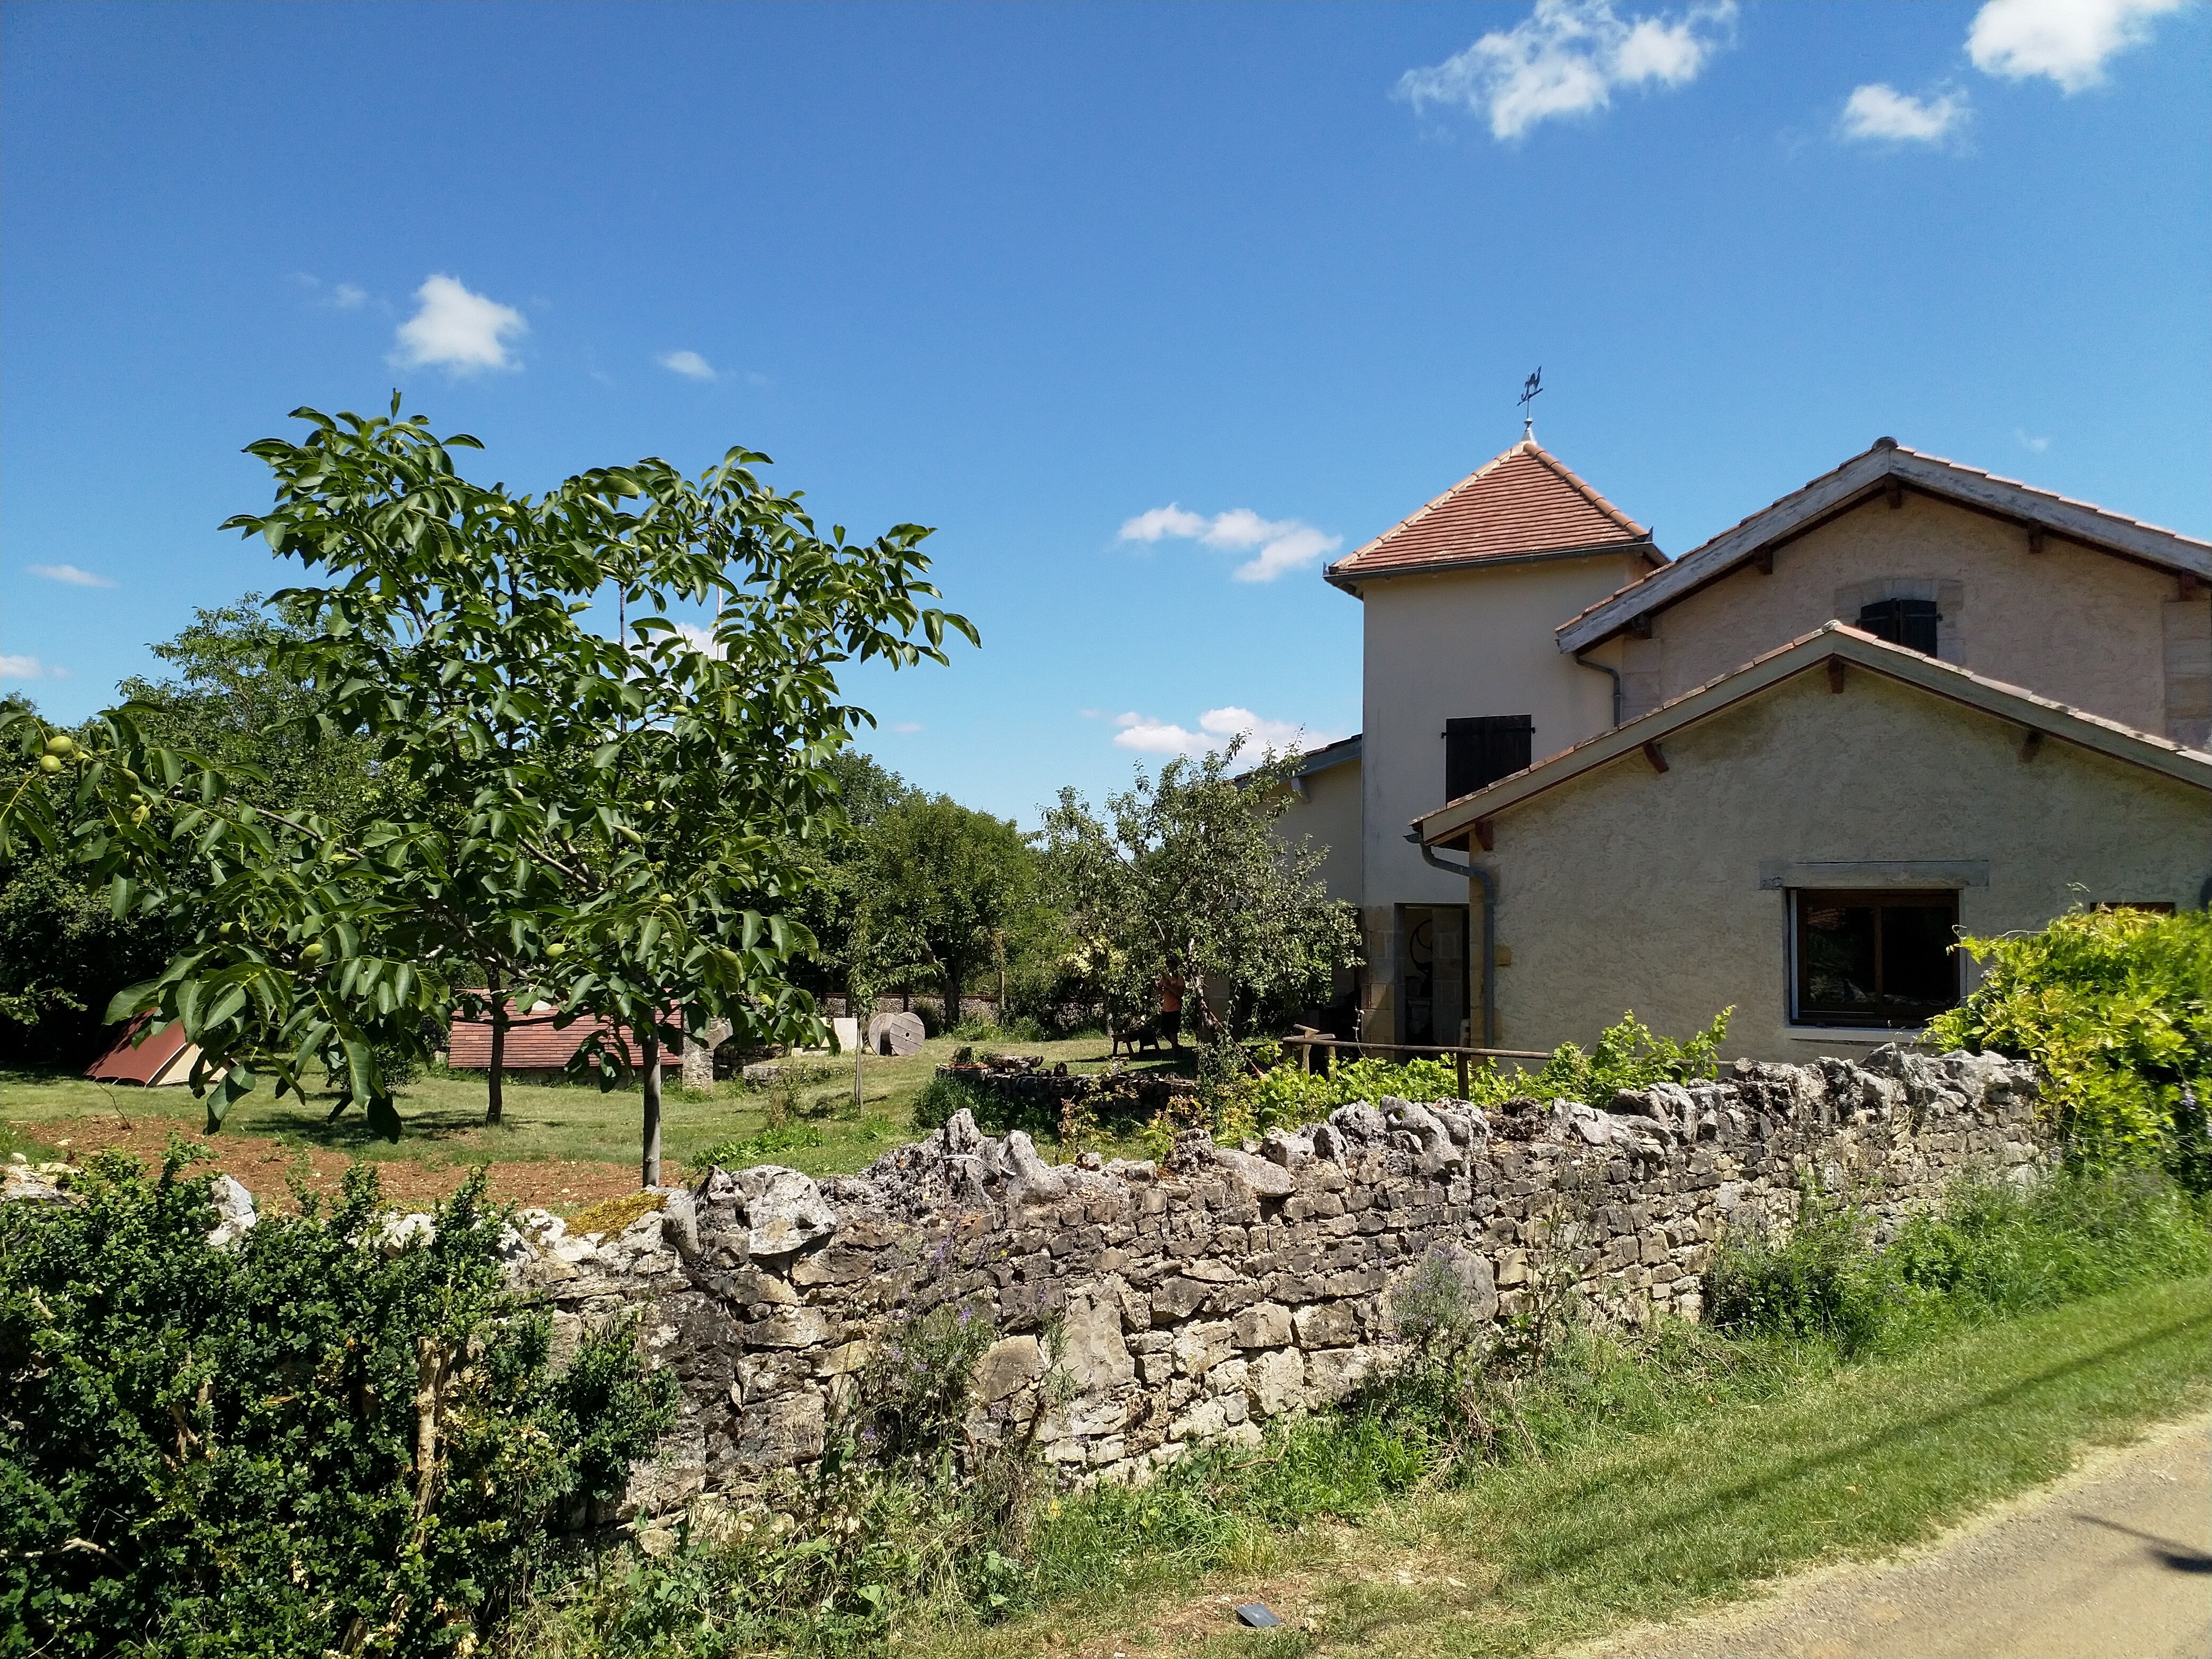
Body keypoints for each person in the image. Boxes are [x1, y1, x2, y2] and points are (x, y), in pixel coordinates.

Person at [1157, 969, 1185, 1053]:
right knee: (1164, 1031)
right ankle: (1177, 1047)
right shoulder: (1165, 978)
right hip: (1166, 1008)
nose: (1170, 967)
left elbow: (1180, 994)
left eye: (1172, 964)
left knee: (1173, 1032)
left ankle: (1174, 1052)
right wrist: (1164, 990)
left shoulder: (1179, 978)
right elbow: (1158, 990)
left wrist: (1169, 986)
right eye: (1168, 964)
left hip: (1175, 1008)